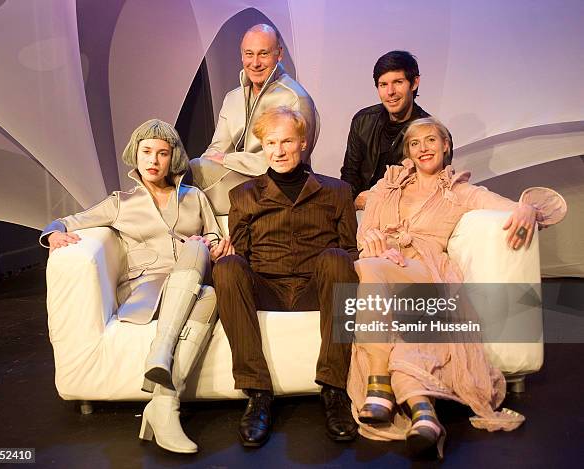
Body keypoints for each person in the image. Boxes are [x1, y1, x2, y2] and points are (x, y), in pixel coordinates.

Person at [348, 117, 566, 459]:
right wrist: (371, 240)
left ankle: (379, 385)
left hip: (428, 271)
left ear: (445, 146)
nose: (423, 149)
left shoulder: (460, 190)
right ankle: (425, 417)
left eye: (431, 140)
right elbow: (366, 229)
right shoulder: (388, 184)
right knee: (401, 328)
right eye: (415, 143)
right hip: (388, 268)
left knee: (371, 270)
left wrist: (524, 207)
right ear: (408, 151)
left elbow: (505, 206)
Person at [40, 119, 234, 454]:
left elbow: (215, 235)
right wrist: (54, 234)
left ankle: (164, 405)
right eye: (146, 152)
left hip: (190, 283)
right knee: (199, 258)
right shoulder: (121, 202)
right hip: (146, 291)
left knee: (206, 274)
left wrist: (215, 246)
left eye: (162, 153)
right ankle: (162, 352)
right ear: (136, 154)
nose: (153, 160)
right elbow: (66, 221)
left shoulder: (194, 197)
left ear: (172, 158)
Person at [212, 106, 358, 447]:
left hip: (314, 286)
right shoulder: (244, 196)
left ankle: (334, 391)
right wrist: (221, 256)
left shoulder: (337, 192)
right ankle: (258, 394)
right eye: (270, 143)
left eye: (287, 141)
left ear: (303, 143)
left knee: (339, 259)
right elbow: (243, 255)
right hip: (268, 288)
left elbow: (350, 251)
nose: (278, 150)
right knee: (229, 266)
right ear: (263, 147)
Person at [189, 23, 318, 215]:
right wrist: (218, 161)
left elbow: (290, 160)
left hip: (278, 184)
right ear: (242, 56)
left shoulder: (295, 98)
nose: (255, 63)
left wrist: (227, 160)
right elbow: (216, 149)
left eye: (263, 54)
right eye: (249, 54)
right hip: (236, 177)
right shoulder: (232, 98)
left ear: (279, 53)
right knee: (188, 171)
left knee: (193, 178)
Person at [340, 50, 453, 210]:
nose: (390, 92)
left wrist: (377, 200)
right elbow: (350, 174)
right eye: (383, 85)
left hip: (404, 217)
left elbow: (431, 190)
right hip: (360, 211)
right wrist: (350, 206)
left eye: (398, 82)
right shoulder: (362, 120)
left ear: (414, 83)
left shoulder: (434, 134)